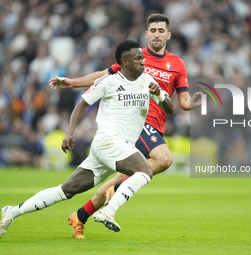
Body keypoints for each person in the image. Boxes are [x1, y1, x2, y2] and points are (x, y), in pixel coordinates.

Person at [49, 13, 202, 239]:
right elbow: (103, 75)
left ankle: (80, 216)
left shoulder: (177, 64)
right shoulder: (135, 57)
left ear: (168, 35)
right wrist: (73, 82)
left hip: (156, 127)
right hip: (135, 123)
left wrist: (196, 103)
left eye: (161, 31)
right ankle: (112, 202)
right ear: (146, 34)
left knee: (116, 180)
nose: (157, 34)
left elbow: (184, 102)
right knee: (164, 159)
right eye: (153, 30)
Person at [0, 40, 173, 238]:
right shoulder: (109, 82)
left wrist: (159, 94)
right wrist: (70, 132)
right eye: (138, 58)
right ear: (125, 62)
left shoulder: (148, 81)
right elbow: (82, 104)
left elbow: (170, 108)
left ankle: (11, 211)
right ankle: (108, 211)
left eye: (143, 58)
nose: (143, 61)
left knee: (66, 190)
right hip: (108, 141)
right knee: (144, 170)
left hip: (117, 148)